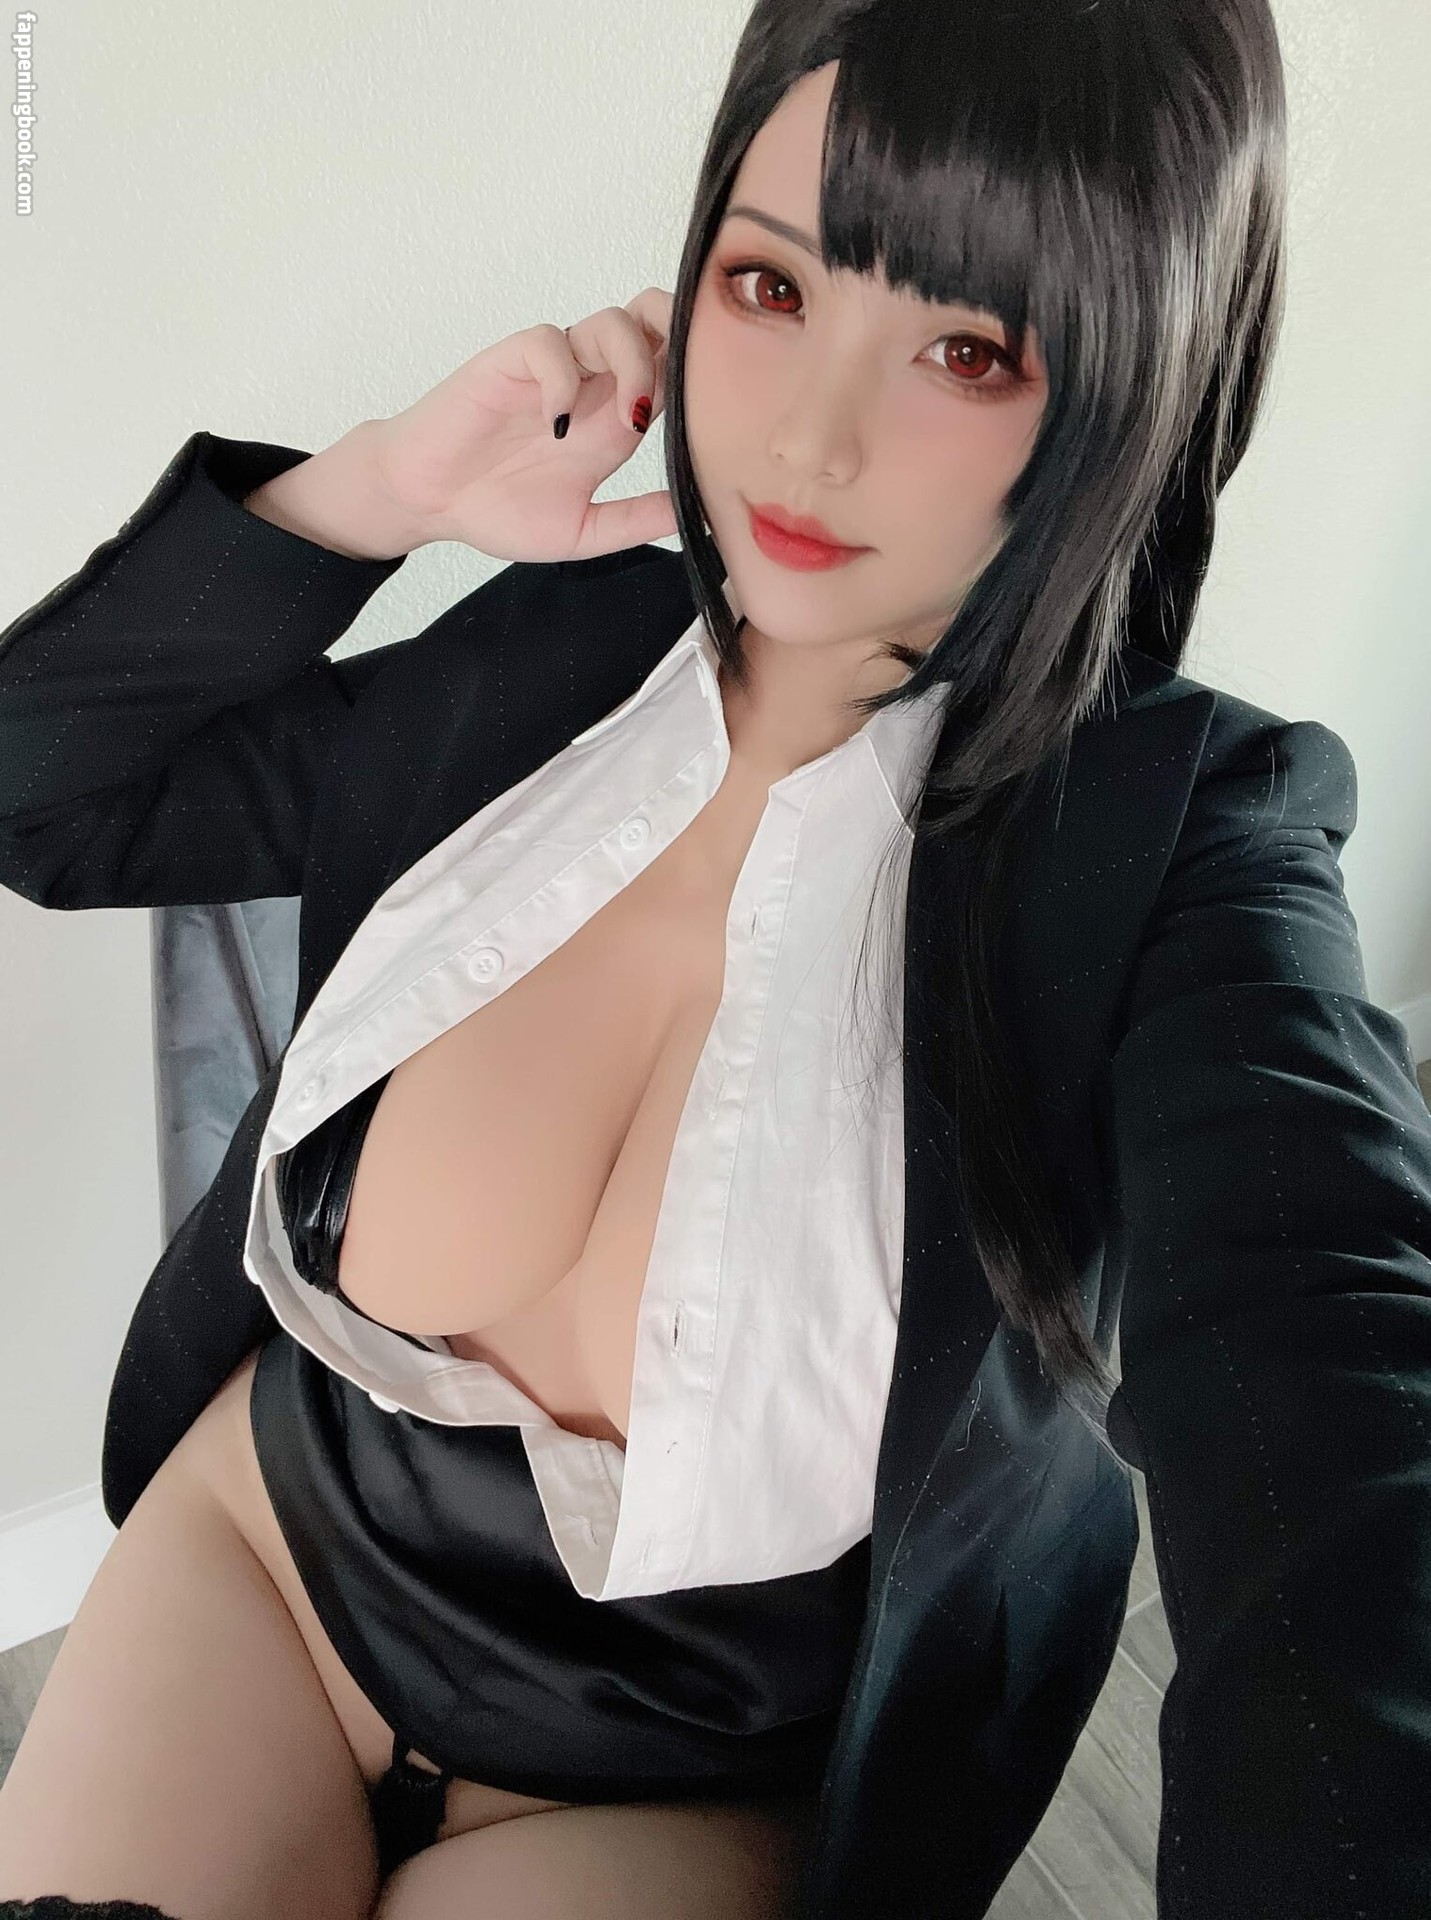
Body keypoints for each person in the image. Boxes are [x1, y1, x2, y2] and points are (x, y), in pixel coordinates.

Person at [2, 3, 1430, 1918]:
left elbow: (1336, 1394)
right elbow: (49, 803)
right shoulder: (568, 641)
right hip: (264, 1563)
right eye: (772, 285)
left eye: (968, 347)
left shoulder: (1181, 841)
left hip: (675, 1773)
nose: (808, 441)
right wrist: (377, 497)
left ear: (1132, 390)